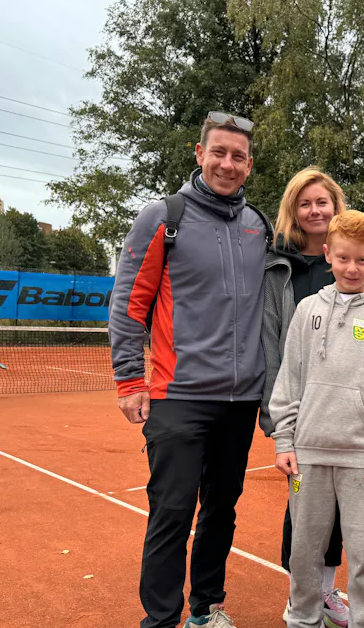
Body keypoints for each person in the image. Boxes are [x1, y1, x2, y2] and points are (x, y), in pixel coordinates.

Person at [109, 111, 270, 628]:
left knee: (221, 511)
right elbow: (129, 303)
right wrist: (131, 380)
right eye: (218, 152)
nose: (227, 163)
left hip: (241, 401)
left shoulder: (258, 225)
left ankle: (205, 608)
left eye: (238, 156)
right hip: (178, 396)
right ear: (198, 154)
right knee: (172, 514)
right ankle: (160, 620)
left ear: (249, 164)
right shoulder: (164, 216)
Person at [269, 210, 364, 628]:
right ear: (328, 254)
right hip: (309, 455)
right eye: (344, 258)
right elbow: (289, 377)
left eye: (363, 260)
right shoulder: (306, 309)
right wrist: (284, 439)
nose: (352, 268)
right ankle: (302, 618)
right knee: (303, 550)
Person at [260, 167, 350, 628]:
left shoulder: (351, 262)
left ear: (337, 207)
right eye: (305, 203)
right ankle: (301, 600)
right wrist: (278, 419)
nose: (315, 210)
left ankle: (328, 590)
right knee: (303, 509)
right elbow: (271, 344)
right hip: (300, 410)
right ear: (294, 211)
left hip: (347, 413)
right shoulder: (278, 268)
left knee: (336, 512)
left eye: (323, 202)